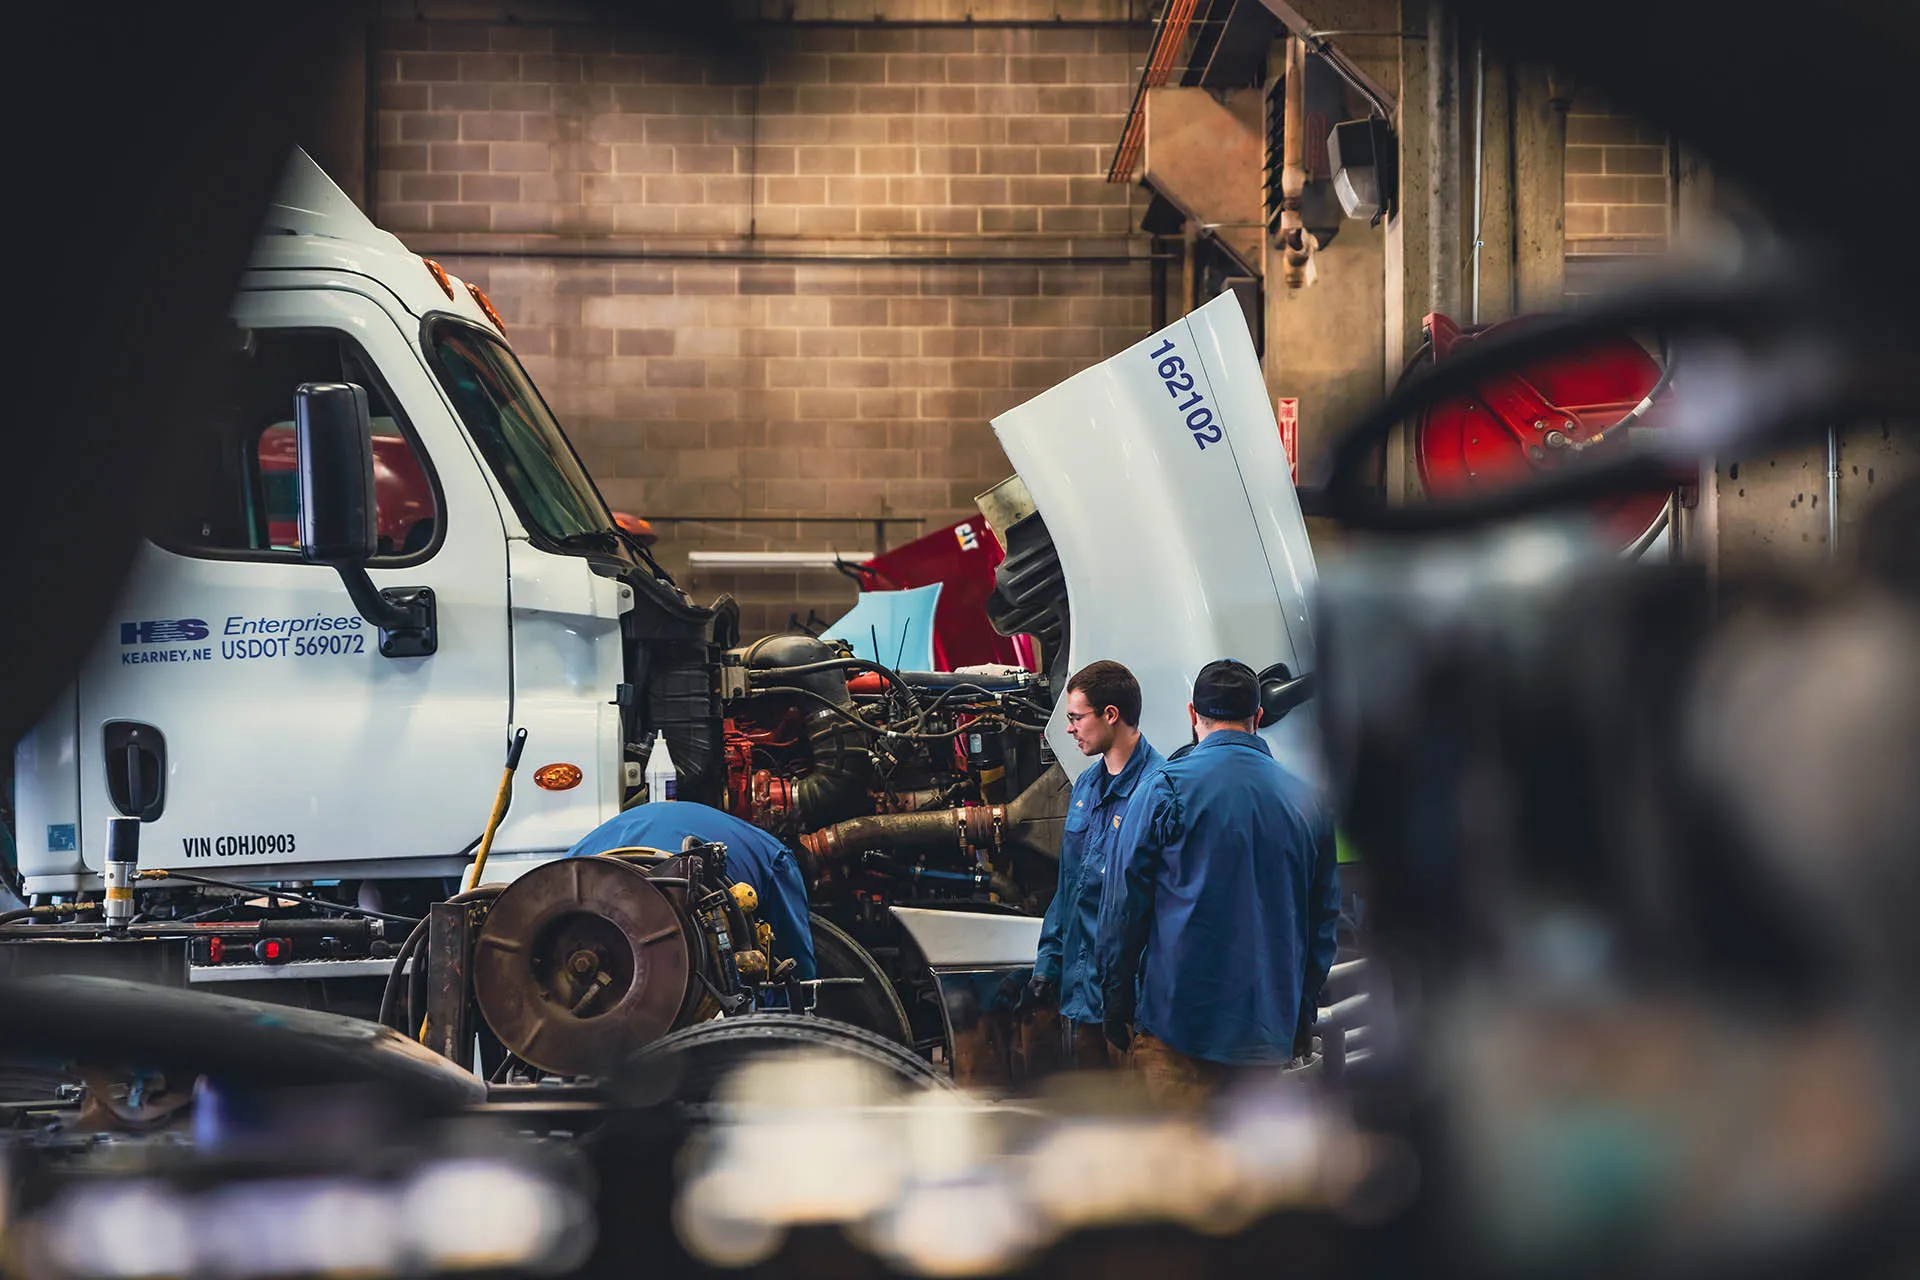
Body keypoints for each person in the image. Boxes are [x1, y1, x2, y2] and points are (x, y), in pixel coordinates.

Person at [1099, 659, 1339, 1106]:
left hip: (1177, 1033)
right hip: (1265, 1042)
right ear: (1258, 717)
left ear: (1193, 715)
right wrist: (1300, 1011)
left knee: (1174, 1154)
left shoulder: (1164, 788)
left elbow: (1122, 908)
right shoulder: (1308, 801)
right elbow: (1323, 923)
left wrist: (1116, 1003)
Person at [1029, 660, 1162, 1068]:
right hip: (1083, 998)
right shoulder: (1086, 784)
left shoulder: (1159, 791)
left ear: (1111, 714)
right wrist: (1047, 965)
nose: (1069, 729)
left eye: (1076, 717)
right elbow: (1069, 885)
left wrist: (1127, 993)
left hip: (1135, 1007)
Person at [566, 799, 816, 981]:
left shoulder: (721, 825)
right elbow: (797, 970)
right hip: (663, 932)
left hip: (580, 878)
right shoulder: (778, 857)